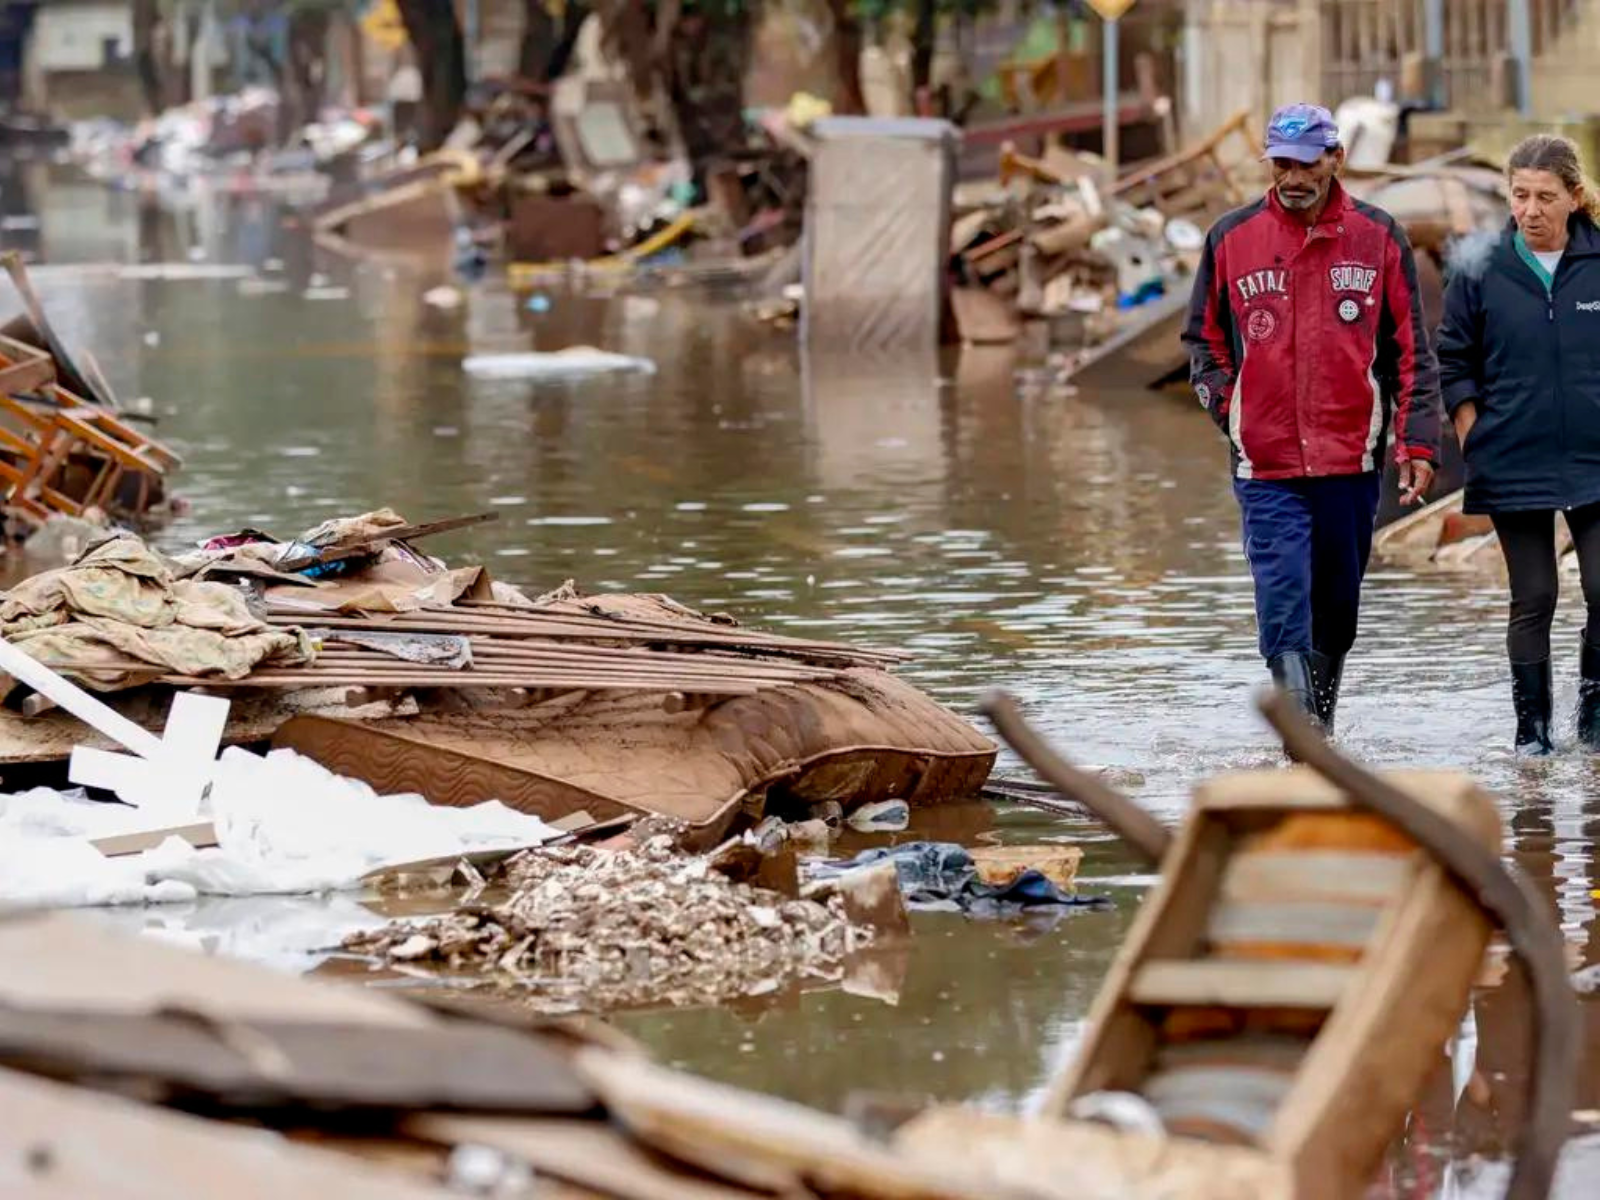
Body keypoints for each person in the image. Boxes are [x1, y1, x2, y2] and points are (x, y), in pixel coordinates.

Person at [1183, 102, 1441, 731]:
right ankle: (1302, 742)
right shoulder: (1230, 237)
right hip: (1266, 464)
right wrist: (1231, 410)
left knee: (1336, 610)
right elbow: (1203, 342)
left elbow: (1411, 351)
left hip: (1350, 459)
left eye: (1305, 164)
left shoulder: (1378, 236)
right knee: (1282, 599)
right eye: (1280, 164)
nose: (1291, 178)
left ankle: (1319, 733)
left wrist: (1417, 444)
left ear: (1335, 159)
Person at [1435, 134, 1600, 755]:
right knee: (1534, 597)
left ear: (1574, 198)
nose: (1530, 210)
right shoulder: (1482, 266)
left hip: (1595, 459)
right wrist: (1473, 434)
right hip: (1513, 458)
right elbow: (1453, 358)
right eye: (1519, 195)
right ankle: (1532, 739)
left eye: (1545, 197)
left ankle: (1593, 727)